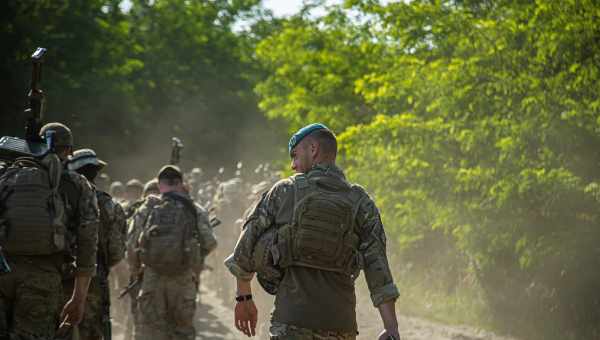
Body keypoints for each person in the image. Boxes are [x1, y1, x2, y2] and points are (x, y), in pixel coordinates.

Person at [225, 123, 401, 340]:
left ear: (313, 149)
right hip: (341, 327)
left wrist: (244, 299)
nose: (293, 165)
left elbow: (246, 247)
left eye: (295, 155)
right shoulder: (361, 202)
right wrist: (391, 327)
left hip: (291, 323)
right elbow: (378, 267)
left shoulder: (285, 191)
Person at [0, 122, 100, 339]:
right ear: (68, 151)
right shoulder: (76, 184)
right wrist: (78, 298)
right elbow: (88, 240)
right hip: (43, 277)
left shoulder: (6, 176)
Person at [129, 165, 217, 340]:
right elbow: (210, 242)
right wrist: (195, 263)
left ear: (159, 184)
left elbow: (131, 244)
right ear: (181, 184)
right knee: (181, 332)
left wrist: (137, 270)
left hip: (152, 279)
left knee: (151, 332)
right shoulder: (195, 209)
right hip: (183, 280)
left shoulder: (148, 207)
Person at [66, 148, 127, 340]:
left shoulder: (57, 198)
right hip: (94, 283)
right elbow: (116, 253)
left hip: (58, 280)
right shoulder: (111, 206)